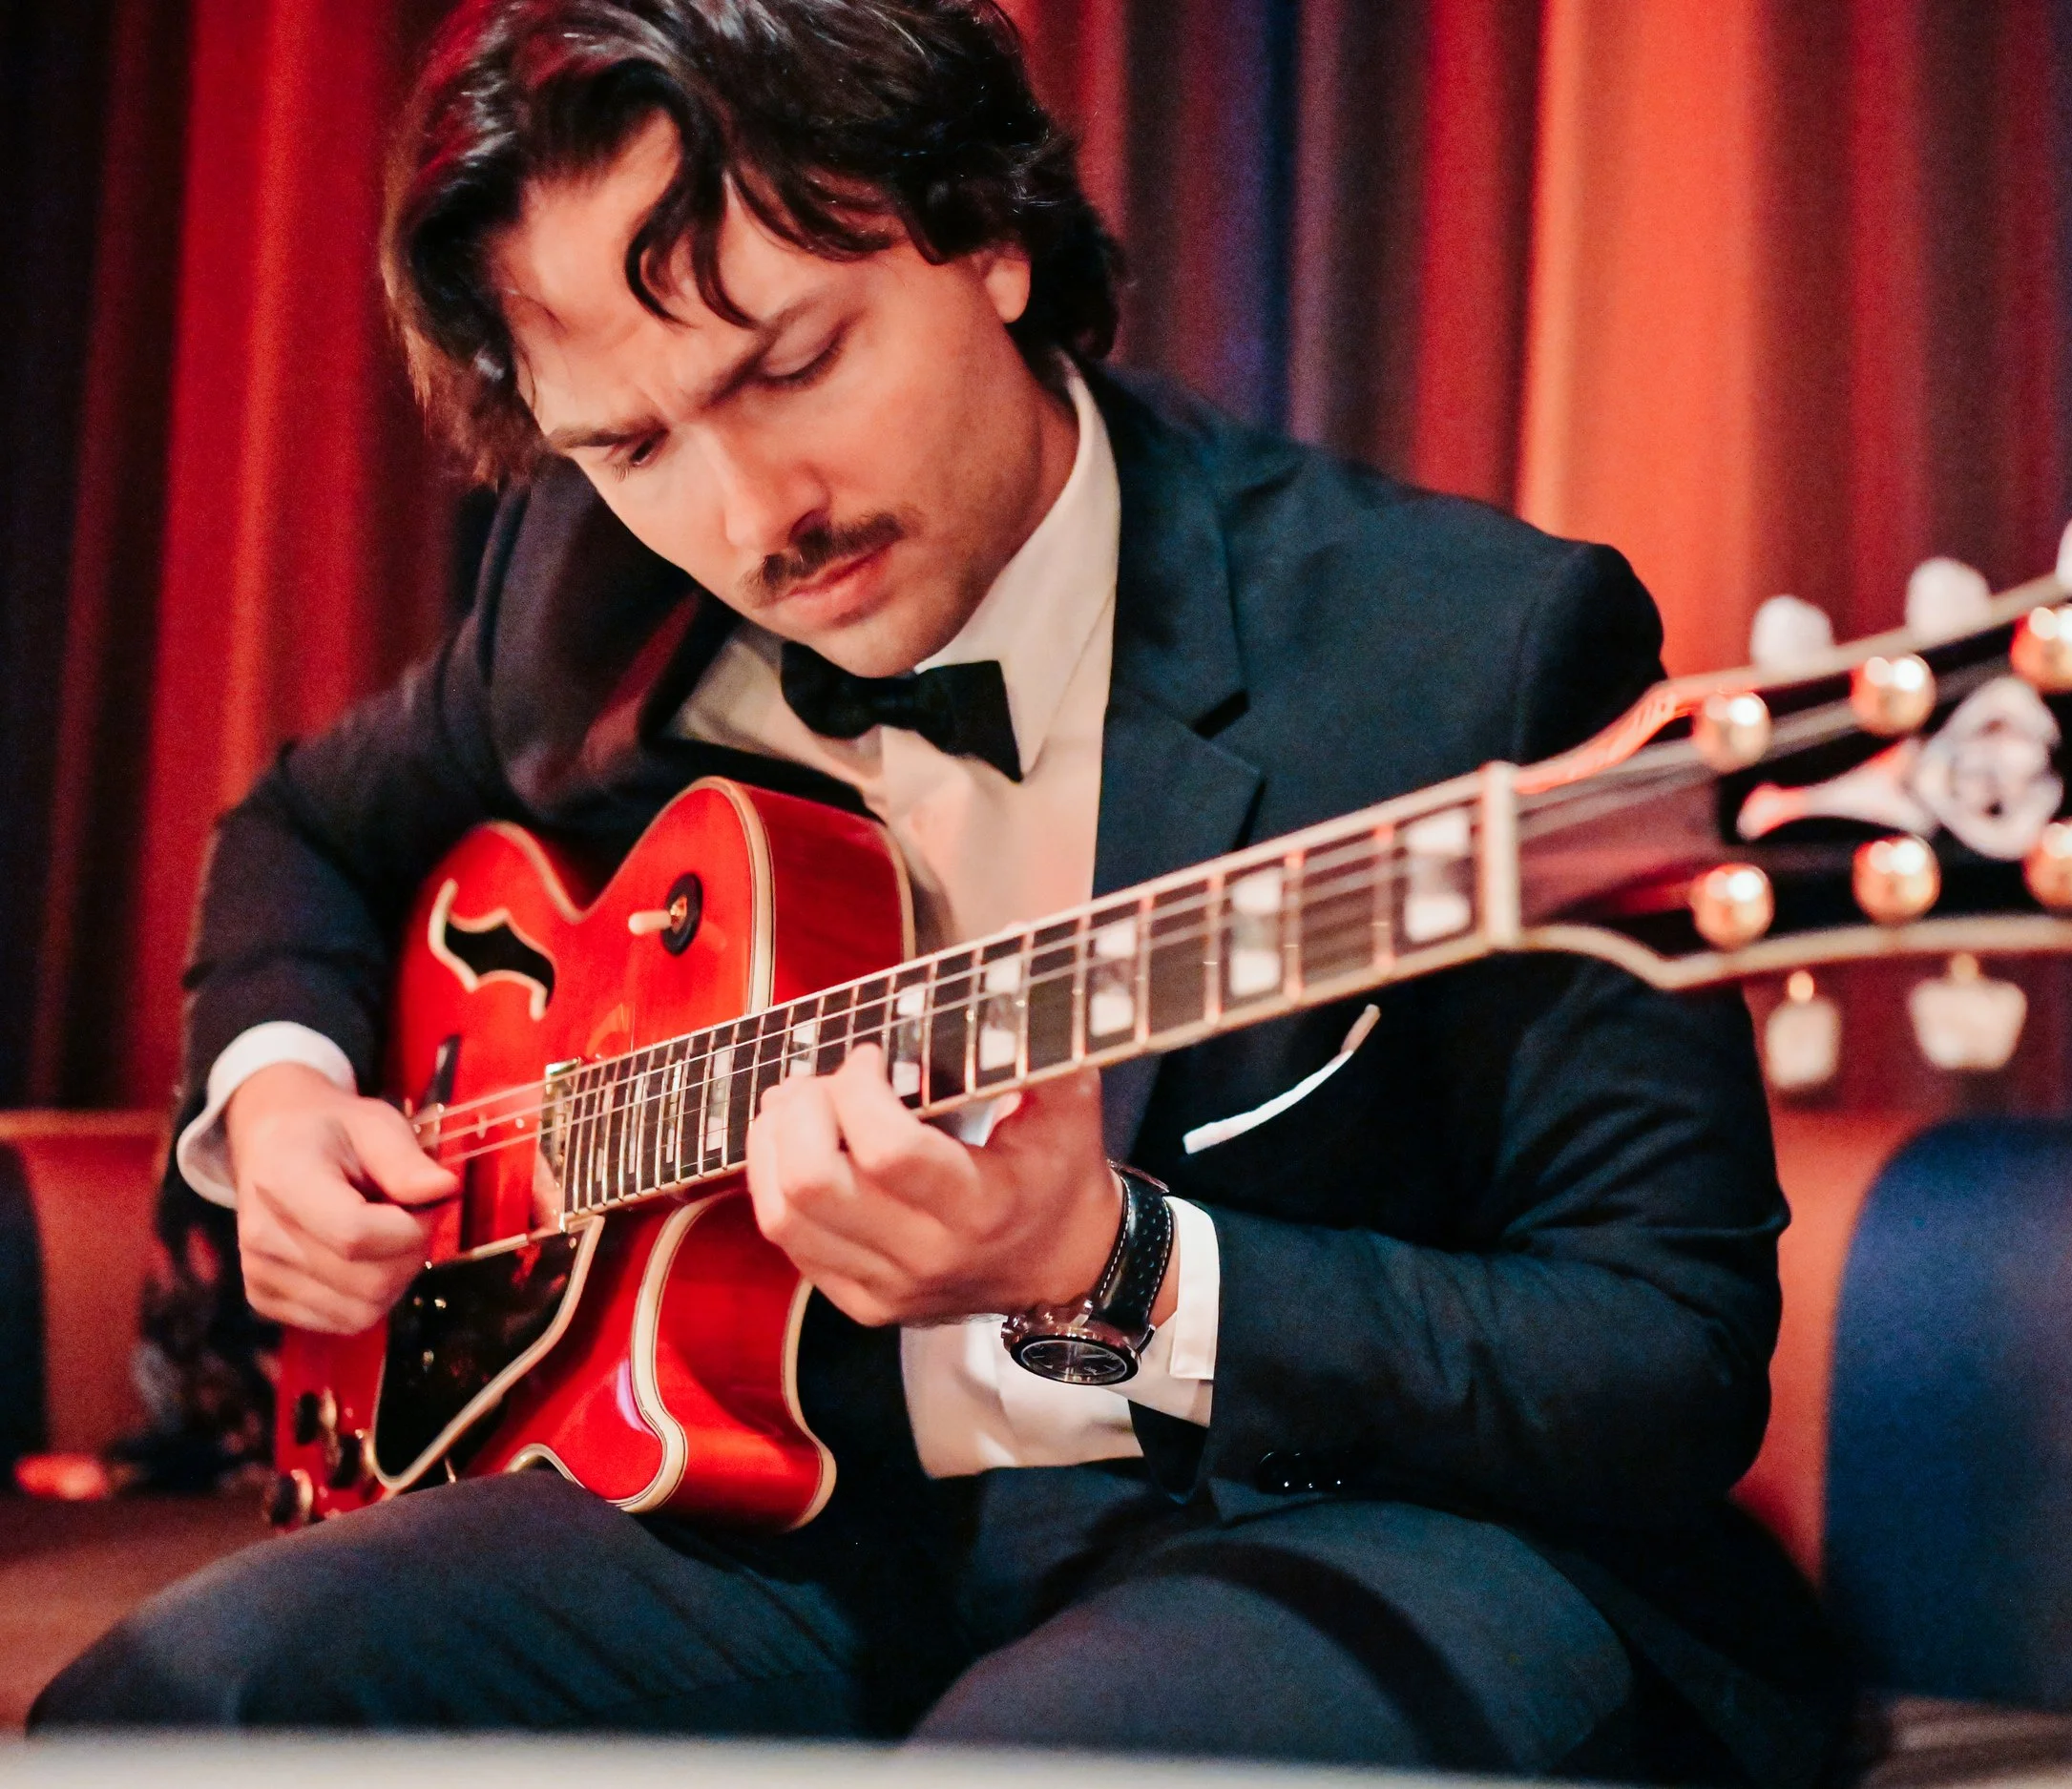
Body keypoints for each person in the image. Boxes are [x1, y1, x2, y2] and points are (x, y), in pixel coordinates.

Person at [32, 1, 1845, 1778]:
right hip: (786, 1504)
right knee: (177, 1703)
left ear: (982, 231)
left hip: (1338, 1515)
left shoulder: (1465, 651)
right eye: (632, 444)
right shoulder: (585, 602)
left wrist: (1114, 1265)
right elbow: (302, 831)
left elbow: (1658, 1359)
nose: (753, 517)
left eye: (792, 364)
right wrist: (275, 1093)